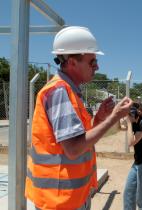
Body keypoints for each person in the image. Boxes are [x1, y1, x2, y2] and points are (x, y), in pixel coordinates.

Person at [25, 26, 133, 210]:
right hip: (60, 201)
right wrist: (113, 118)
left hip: (69, 197)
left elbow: (79, 141)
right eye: (92, 62)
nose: (97, 66)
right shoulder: (59, 91)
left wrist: (99, 120)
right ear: (72, 62)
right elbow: (74, 150)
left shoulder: (69, 91)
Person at [119, 102, 142, 210]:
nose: (130, 114)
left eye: (132, 111)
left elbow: (131, 142)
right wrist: (118, 117)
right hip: (138, 162)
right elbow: (120, 128)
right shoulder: (134, 121)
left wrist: (129, 123)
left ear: (139, 112)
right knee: (128, 192)